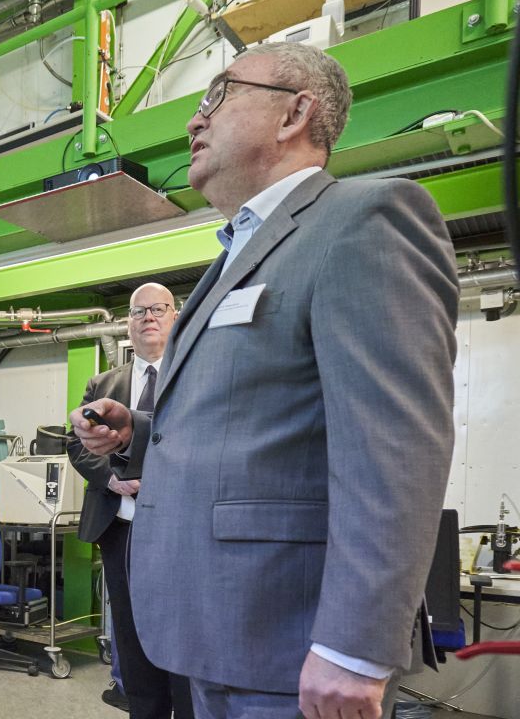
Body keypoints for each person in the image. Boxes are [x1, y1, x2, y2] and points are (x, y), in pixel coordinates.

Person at [71, 42, 458, 719]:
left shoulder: (363, 221)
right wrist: (143, 430)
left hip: (293, 645)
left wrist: (354, 648)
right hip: (216, 630)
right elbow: (258, 427)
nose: (194, 123)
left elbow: (396, 447)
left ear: (294, 114)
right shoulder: (232, 259)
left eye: (216, 96)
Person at [68, 283, 193, 719]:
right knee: (131, 634)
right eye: (139, 312)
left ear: (175, 316)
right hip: (121, 529)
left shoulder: (194, 375)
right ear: (127, 323)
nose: (149, 318)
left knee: (184, 636)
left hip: (182, 533)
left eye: (159, 309)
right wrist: (112, 481)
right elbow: (77, 444)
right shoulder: (103, 383)